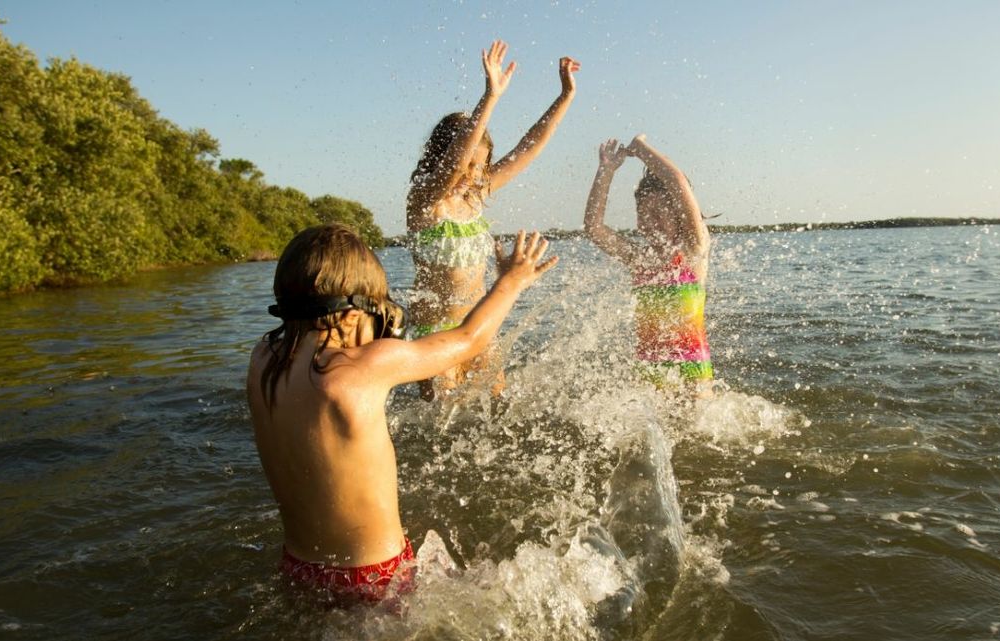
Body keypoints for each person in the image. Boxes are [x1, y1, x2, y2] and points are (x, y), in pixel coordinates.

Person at [246, 223, 557, 605]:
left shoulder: (261, 360)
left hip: (299, 568)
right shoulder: (362, 367)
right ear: (349, 314)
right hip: (374, 576)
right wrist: (511, 281)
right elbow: (468, 339)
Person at [406, 39, 579, 399]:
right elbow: (453, 167)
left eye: (480, 166)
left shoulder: (476, 197)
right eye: (467, 164)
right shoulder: (424, 200)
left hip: (480, 325)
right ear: (440, 157)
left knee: (497, 408)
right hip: (435, 332)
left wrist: (564, 97)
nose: (471, 174)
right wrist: (490, 98)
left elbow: (528, 149)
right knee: (442, 423)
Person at [583, 135, 714, 390]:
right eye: (642, 215)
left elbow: (677, 182)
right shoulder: (640, 260)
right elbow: (593, 227)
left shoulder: (693, 249)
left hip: (692, 370)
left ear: (678, 214)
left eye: (657, 213)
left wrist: (641, 147)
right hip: (649, 368)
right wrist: (606, 172)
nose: (649, 222)